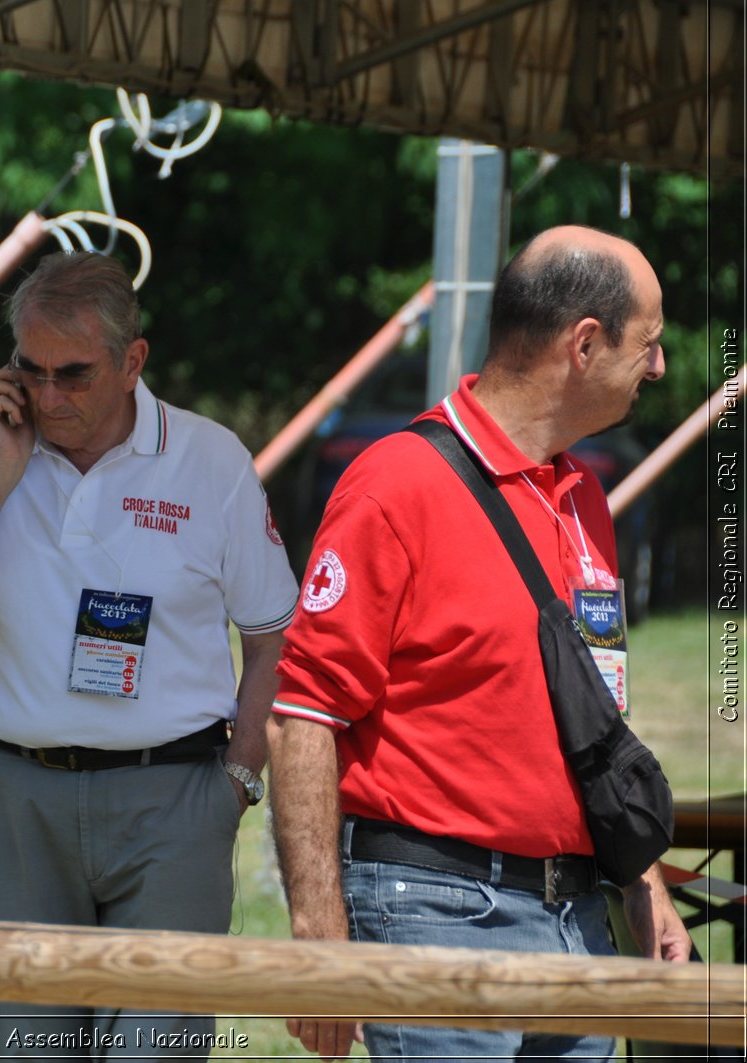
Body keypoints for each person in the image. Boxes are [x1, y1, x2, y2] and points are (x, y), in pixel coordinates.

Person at [267, 224, 691, 1062]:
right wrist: (319, 936)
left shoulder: (583, 497)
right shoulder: (397, 481)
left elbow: (589, 719)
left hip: (576, 916)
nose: (661, 368)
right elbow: (301, 716)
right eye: (650, 344)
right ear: (584, 344)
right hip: (435, 910)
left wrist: (642, 883)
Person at [0, 251, 299, 1057]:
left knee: (157, 1048)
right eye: (29, 370)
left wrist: (238, 781)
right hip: (13, 798)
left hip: (173, 799)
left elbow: (275, 637)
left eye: (72, 374)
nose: (47, 396)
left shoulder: (209, 459)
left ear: (132, 361)